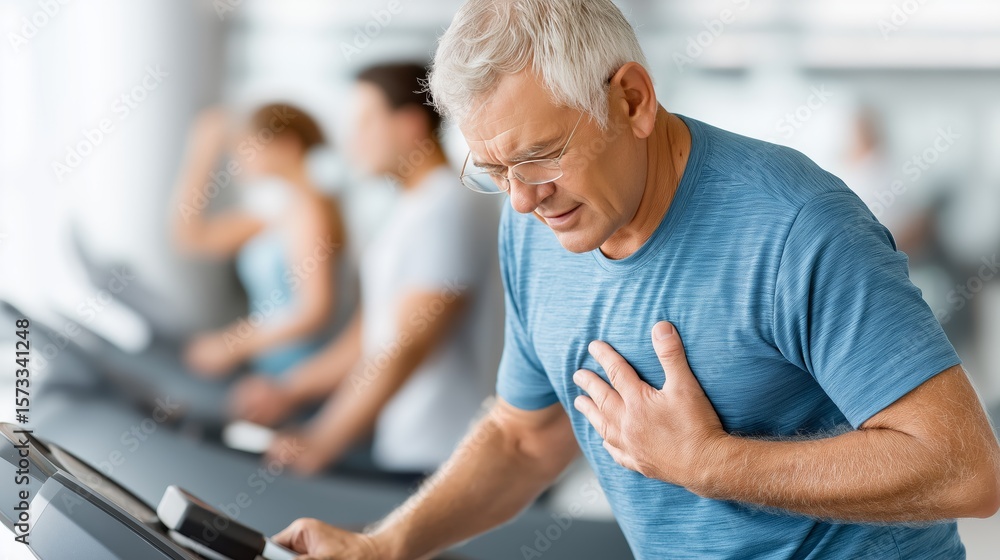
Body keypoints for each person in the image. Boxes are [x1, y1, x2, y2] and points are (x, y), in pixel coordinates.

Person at [273, 1, 1000, 558]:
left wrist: (713, 464)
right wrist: (383, 546)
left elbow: (966, 470)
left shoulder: (795, 226)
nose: (524, 198)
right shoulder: (531, 230)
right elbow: (526, 440)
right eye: (494, 172)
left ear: (631, 100)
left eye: (542, 155)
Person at [229, 63, 503, 477]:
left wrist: (325, 436)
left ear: (409, 125)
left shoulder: (448, 207)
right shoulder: (412, 207)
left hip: (444, 455)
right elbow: (371, 333)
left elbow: (408, 343)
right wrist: (288, 390)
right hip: (407, 444)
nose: (352, 141)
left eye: (364, 123)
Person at [172, 103, 354, 378]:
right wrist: (203, 150)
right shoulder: (282, 211)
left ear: (286, 146)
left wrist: (230, 345)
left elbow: (315, 310)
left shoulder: (310, 211)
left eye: (248, 146)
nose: (238, 159)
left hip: (297, 375)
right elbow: (190, 236)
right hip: (272, 369)